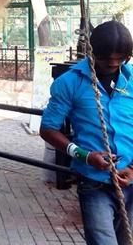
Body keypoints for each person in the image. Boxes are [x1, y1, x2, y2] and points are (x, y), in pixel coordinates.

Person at [41, 20, 133, 245]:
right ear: (92, 52)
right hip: (93, 183)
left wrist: (132, 169)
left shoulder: (131, 80)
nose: (113, 64)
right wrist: (85, 156)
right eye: (105, 59)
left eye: (120, 59)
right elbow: (48, 129)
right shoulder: (69, 83)